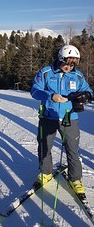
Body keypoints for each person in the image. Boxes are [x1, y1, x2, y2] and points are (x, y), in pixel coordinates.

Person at [30, 44, 93, 194]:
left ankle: (75, 178)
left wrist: (86, 96)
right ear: (60, 59)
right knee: (45, 146)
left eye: (74, 63)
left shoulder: (77, 76)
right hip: (48, 116)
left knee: (72, 148)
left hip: (69, 117)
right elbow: (34, 90)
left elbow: (88, 90)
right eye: (67, 62)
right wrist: (50, 96)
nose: (70, 67)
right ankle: (45, 173)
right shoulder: (46, 72)